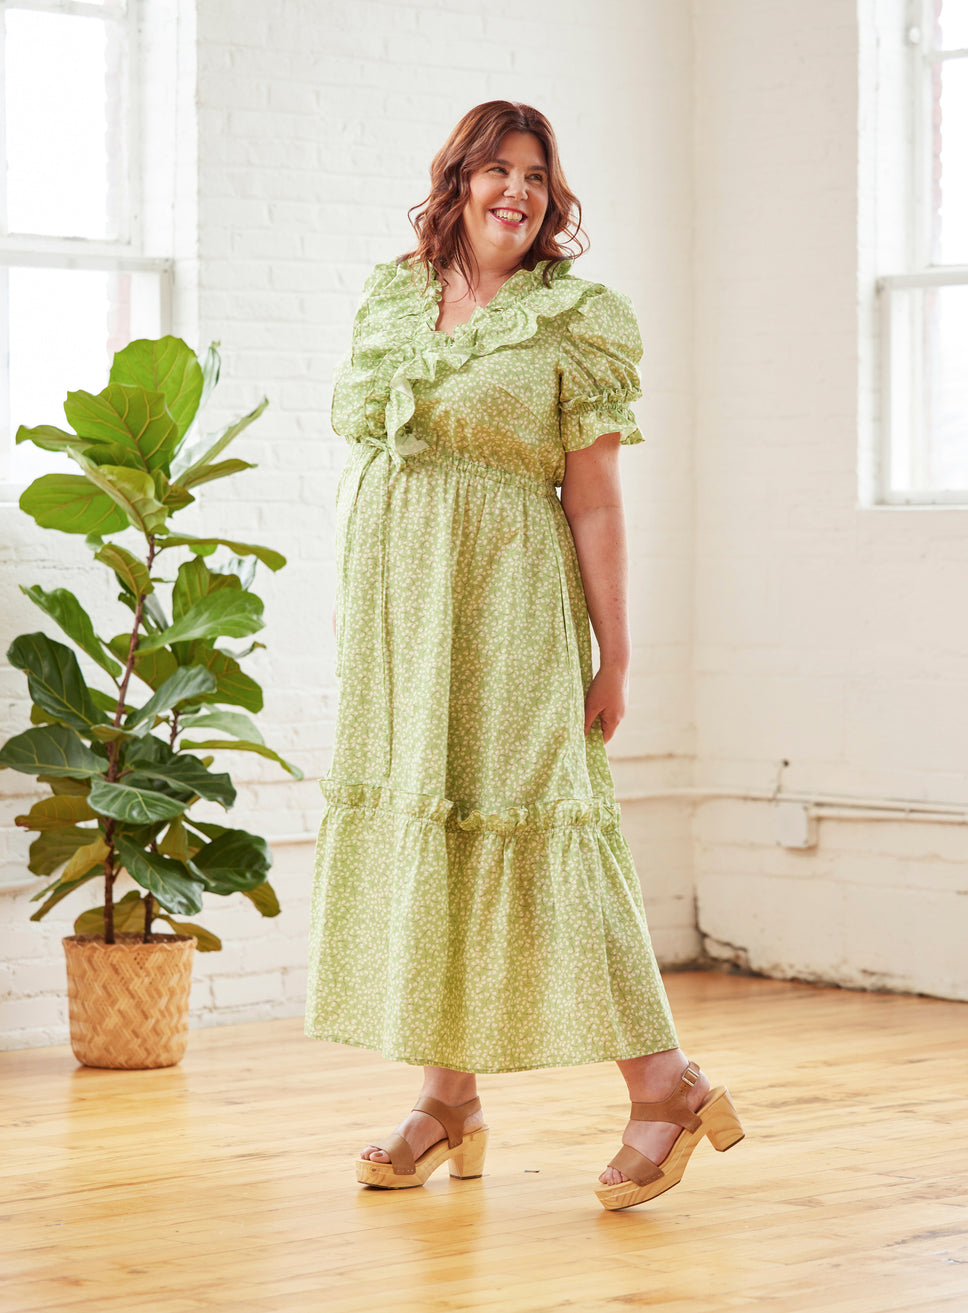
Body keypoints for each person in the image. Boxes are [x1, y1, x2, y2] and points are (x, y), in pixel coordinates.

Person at [304, 100, 743, 1210]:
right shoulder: (391, 295)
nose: (516, 190)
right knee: (437, 825)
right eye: (495, 170)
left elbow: (593, 500)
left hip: (512, 611)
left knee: (552, 840)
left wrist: (616, 652)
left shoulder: (576, 319)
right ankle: (446, 1098)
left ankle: (666, 1081)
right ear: (453, 182)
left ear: (553, 198)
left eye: (536, 176)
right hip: (402, 616)